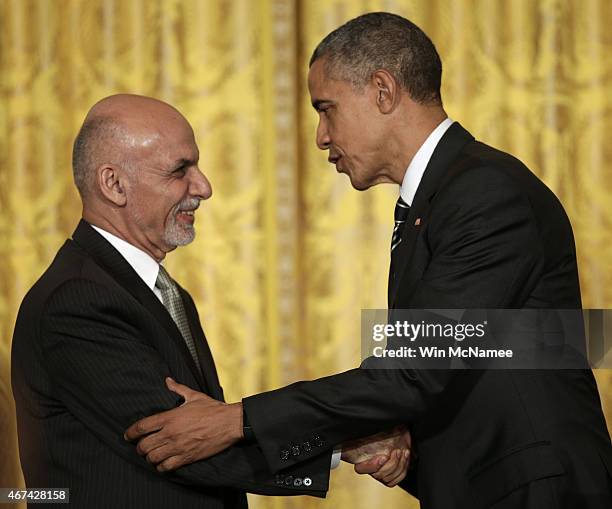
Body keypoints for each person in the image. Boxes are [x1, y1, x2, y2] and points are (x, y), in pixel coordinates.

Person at [126, 12, 612, 509]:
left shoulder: (484, 193)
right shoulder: (439, 199)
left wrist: (237, 420)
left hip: (535, 489)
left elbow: (414, 371)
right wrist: (397, 441)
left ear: (382, 90)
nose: (321, 136)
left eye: (327, 108)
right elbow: (461, 363)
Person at [11, 94, 409, 509]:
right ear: (114, 184)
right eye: (180, 170)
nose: (203, 187)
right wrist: (342, 442)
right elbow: (182, 448)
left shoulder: (161, 291)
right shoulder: (76, 301)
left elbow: (207, 429)